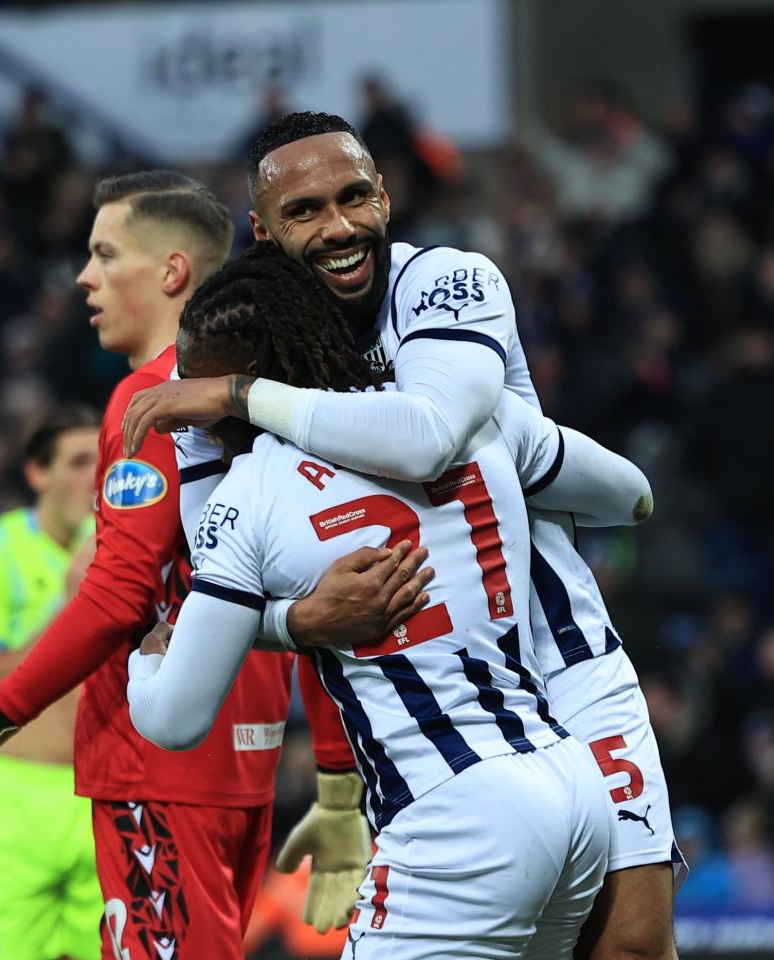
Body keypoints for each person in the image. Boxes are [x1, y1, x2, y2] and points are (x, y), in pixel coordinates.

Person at [122, 112, 682, 960]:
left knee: (631, 947)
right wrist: (300, 622)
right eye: (305, 211)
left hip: (561, 661)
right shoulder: (232, 354)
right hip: (453, 719)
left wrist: (239, 398)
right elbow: (229, 576)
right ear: (264, 231)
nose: (339, 227)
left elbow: (423, 437)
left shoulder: (444, 284)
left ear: (387, 197)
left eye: (354, 198)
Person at [0, 171, 429, 958]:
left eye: (103, 254)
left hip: (157, 770)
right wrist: (334, 779)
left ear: (170, 272)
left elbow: (117, 598)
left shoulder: (151, 398)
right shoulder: (282, 393)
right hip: (244, 770)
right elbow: (323, 602)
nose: (84, 277)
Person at [0, 405, 101, 959]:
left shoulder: (127, 553)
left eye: (103, 462)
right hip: (15, 797)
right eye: (79, 462)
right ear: (38, 473)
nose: (94, 477)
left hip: (104, 793)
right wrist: (72, 602)